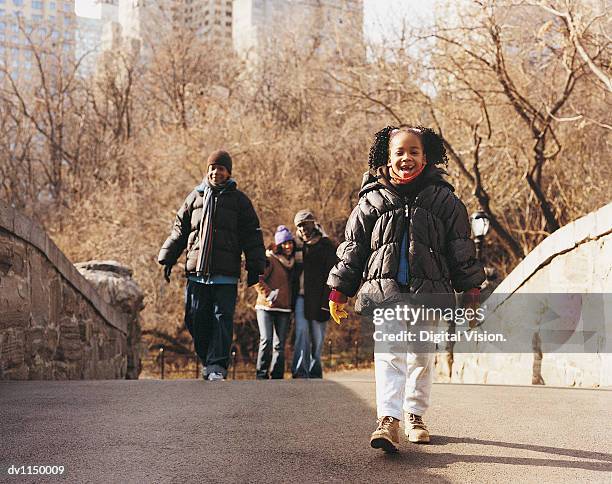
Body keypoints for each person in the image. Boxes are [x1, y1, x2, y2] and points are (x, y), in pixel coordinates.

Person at [327, 126, 485, 452]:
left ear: (426, 158)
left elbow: (461, 249)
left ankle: (414, 414)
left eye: (414, 152)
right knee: (389, 355)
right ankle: (388, 420)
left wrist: (471, 290)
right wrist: (339, 289)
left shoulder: (445, 201)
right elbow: (353, 248)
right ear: (388, 157)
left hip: (428, 292)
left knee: (421, 357)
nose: (406, 158)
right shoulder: (372, 201)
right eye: (399, 152)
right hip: (387, 291)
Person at [158, 150, 265, 381]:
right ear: (208, 170)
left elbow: (252, 235)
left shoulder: (239, 201)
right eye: (213, 168)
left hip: (225, 274)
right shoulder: (194, 197)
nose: (217, 172)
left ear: (229, 173)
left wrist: (255, 266)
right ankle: (208, 359)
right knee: (195, 317)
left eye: (222, 168)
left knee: (221, 318)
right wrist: (168, 257)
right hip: (197, 272)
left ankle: (217, 365)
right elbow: (180, 230)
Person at [291, 210, 337, 379]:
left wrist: (329, 299)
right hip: (300, 298)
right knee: (301, 332)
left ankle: (315, 369)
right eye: (299, 225)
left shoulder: (326, 245)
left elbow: (333, 274)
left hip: (320, 298)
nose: (302, 228)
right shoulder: (295, 245)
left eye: (304, 224)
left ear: (313, 223)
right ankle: (299, 371)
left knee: (317, 336)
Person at [253, 226, 297, 379]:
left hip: (284, 309)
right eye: (285, 243)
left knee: (279, 344)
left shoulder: (292, 263)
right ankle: (261, 374)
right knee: (266, 339)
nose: (288, 246)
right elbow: (256, 278)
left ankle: (277, 376)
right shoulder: (270, 259)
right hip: (266, 307)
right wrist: (269, 294)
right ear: (278, 245)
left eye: (290, 243)